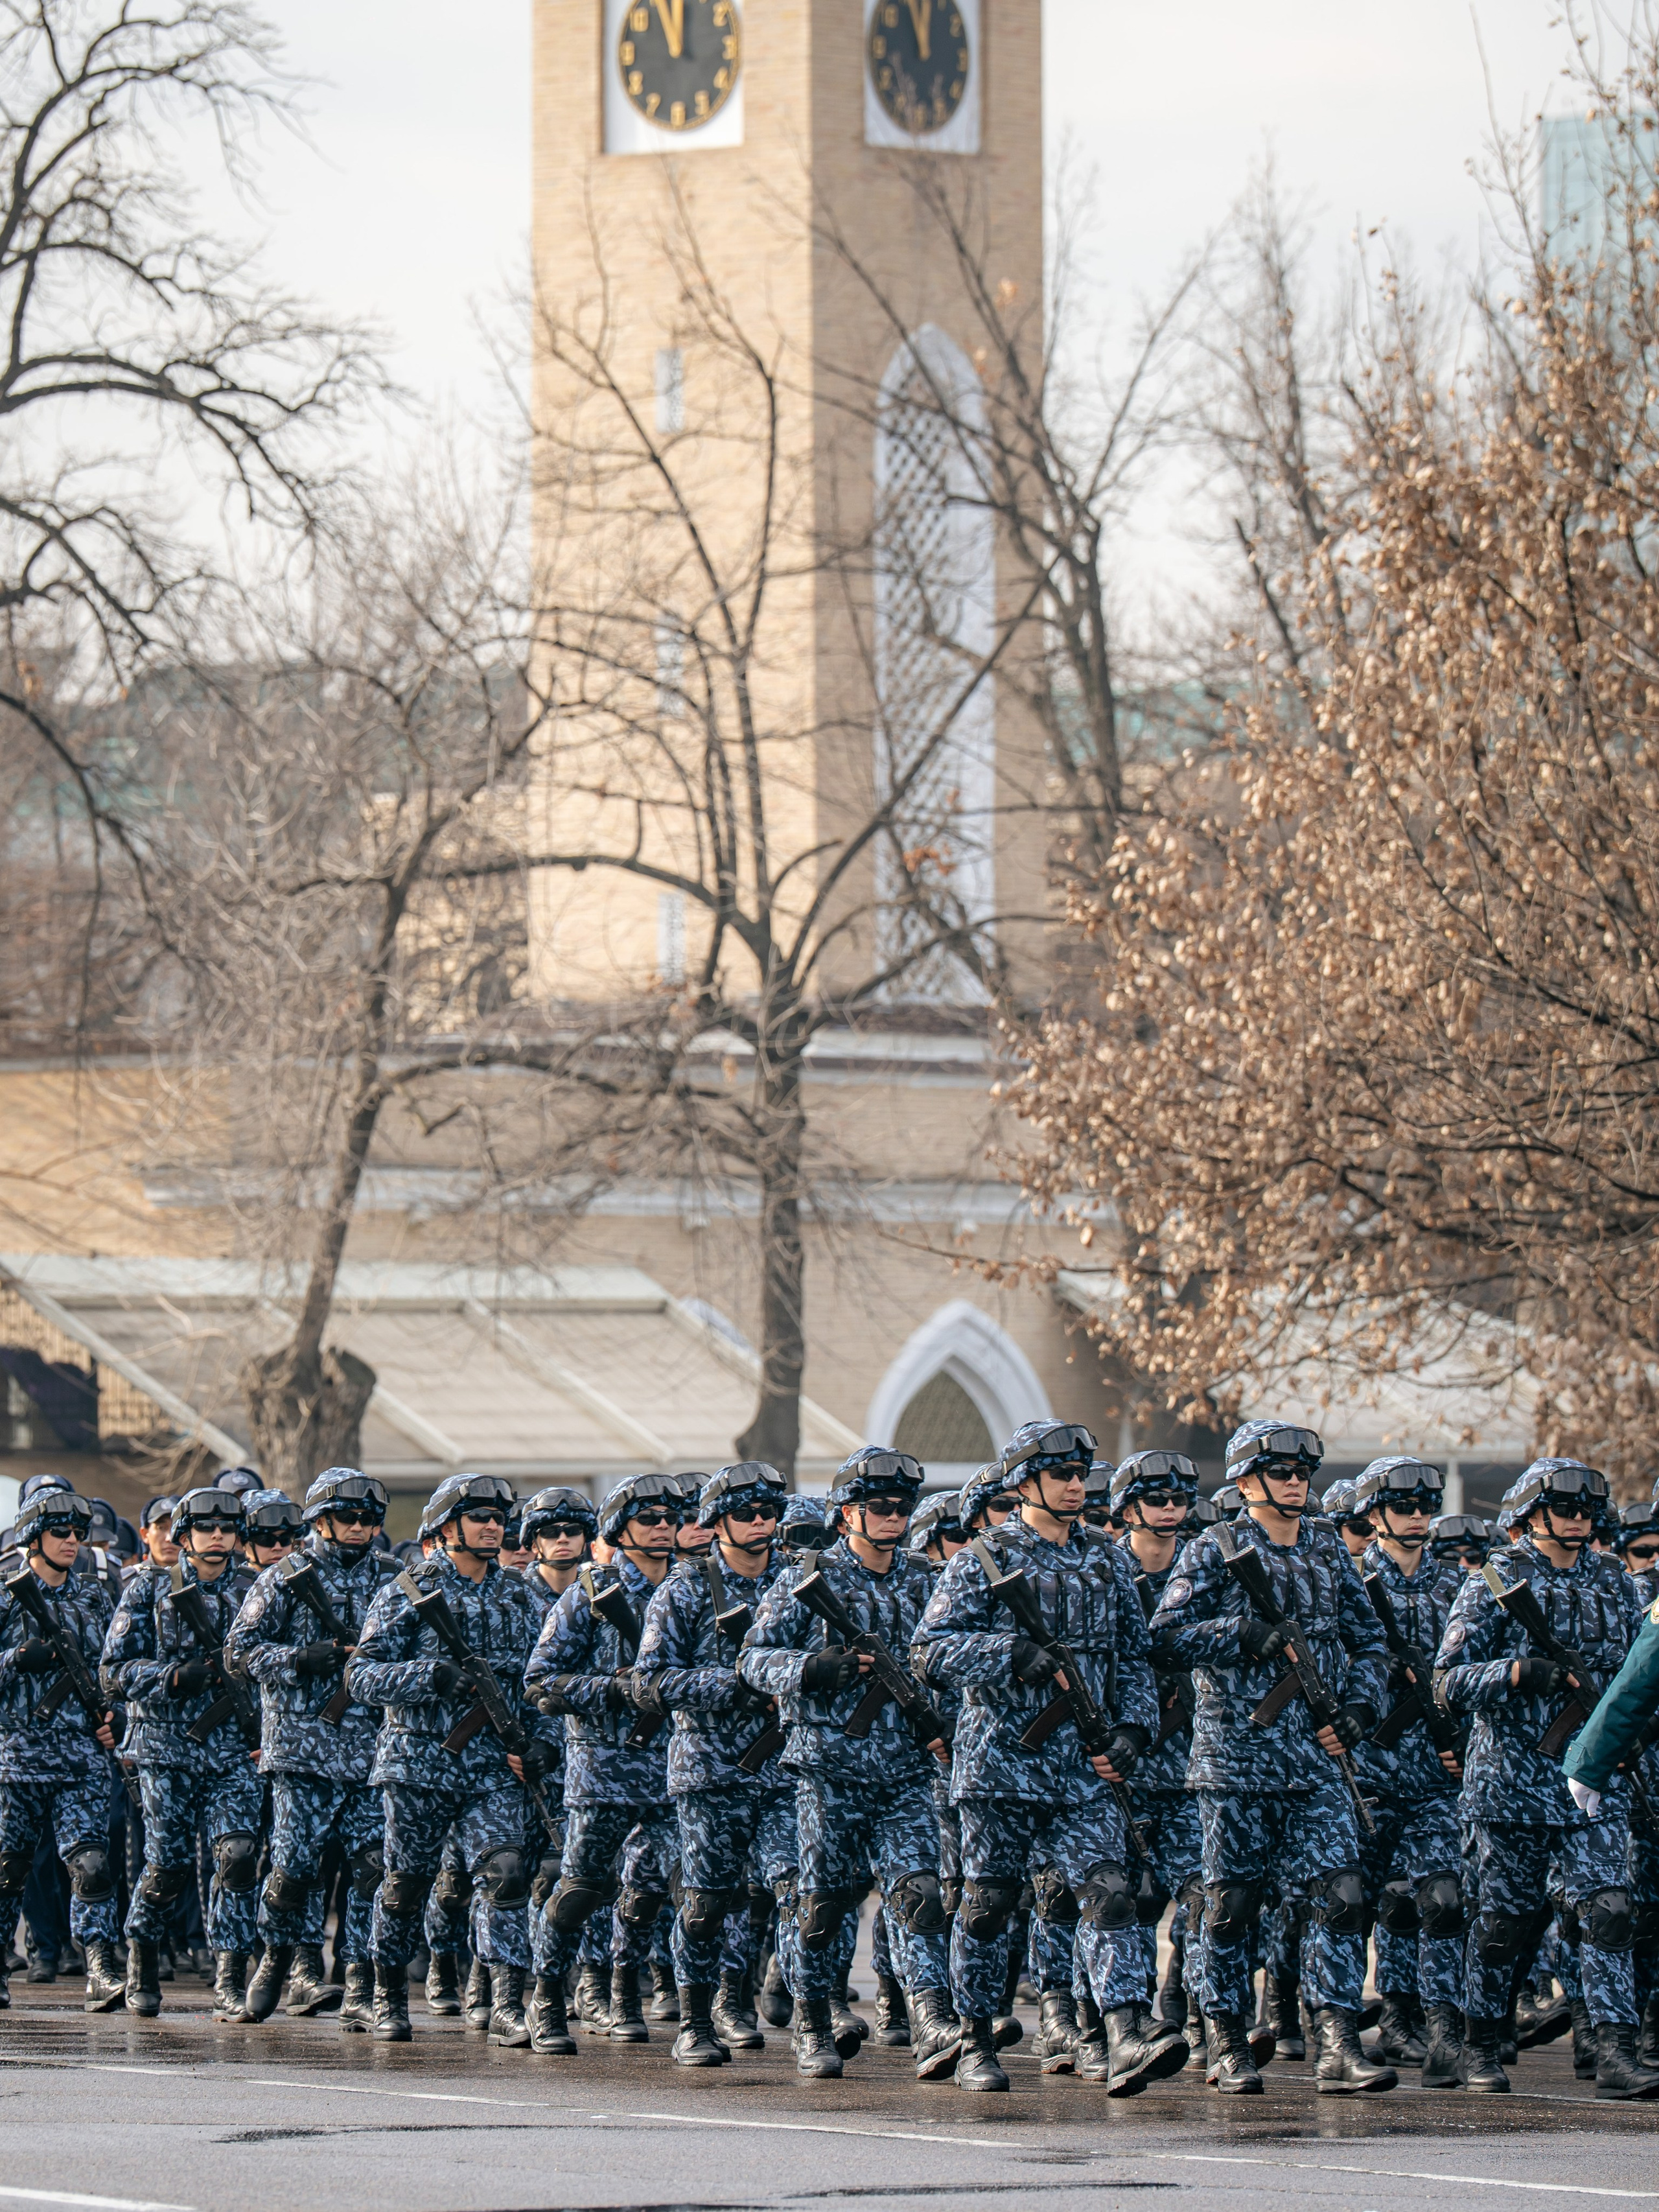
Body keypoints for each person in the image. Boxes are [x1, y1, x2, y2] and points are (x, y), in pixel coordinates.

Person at [916, 1423, 1181, 2097]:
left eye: (1081, 1471)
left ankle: (1124, 2030)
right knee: (987, 1905)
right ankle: (975, 2035)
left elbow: (1134, 1656)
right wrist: (1009, 1655)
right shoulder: (983, 1556)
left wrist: (1133, 1730)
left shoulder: (1106, 1557)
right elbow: (932, 1651)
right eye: (1060, 1471)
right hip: (1001, 1762)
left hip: (1081, 1768)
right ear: (1023, 1482)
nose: (1075, 1483)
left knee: (1109, 1891)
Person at [1151, 1420, 1396, 2097]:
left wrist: (1359, 1708)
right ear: (1246, 1479)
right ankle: (1227, 2039)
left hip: (1316, 1762)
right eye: (1280, 1468)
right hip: (1237, 1762)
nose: (1295, 1479)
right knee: (1230, 1908)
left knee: (1341, 1897)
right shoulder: (1214, 1547)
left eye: (1301, 1468)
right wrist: (1242, 1634)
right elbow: (1165, 1636)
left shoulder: (1323, 1543)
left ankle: (1337, 2043)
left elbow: (1370, 1640)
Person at [1435, 1457, 1659, 2099]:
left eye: (1588, 1509)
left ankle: (1614, 2047)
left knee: (1609, 1910)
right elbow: (1446, 1679)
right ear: (1531, 1512)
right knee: (1504, 1923)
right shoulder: (1493, 1580)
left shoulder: (1618, 1584)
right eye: (1565, 1507)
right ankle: (1480, 2038)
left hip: (1589, 1783)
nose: (1578, 1519)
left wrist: (1631, 1737)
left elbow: (1639, 1676)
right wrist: (1514, 1671)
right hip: (1509, 1784)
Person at [741, 1447, 958, 2084]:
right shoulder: (808, 1579)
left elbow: (945, 1657)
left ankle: (934, 2018)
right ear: (846, 1514)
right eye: (879, 1507)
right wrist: (810, 1668)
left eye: (901, 1508)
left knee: (919, 1893)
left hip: (905, 1770)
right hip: (827, 1768)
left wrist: (941, 1714)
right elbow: (753, 1659)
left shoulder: (925, 1580)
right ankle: (811, 2022)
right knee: (824, 1905)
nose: (893, 1518)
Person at [347, 1473, 553, 2045]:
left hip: (491, 1766)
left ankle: (508, 2002)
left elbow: (538, 1681)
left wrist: (542, 1739)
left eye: (498, 1518)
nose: (493, 1526)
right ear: (446, 1528)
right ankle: (387, 1995)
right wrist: (426, 1675)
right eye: (480, 1517)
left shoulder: (520, 1595)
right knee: (406, 1883)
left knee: (507, 1873)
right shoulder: (408, 1590)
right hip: (419, 1762)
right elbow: (360, 1675)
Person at [224, 1467, 398, 2034]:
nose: (359, 1528)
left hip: (373, 1751)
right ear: (321, 1520)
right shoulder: (285, 1577)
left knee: (371, 1870)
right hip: (302, 1751)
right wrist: (299, 1659)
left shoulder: (396, 1580)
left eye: (369, 1519)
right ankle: (277, 1954)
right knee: (295, 1868)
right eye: (347, 1517)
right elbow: (239, 1652)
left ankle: (358, 1983)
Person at [634, 1460, 793, 2066]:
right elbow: (650, 1682)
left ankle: (760, 2004)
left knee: (796, 1891)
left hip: (783, 1770)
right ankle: (696, 2020)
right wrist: (732, 1684)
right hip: (708, 1771)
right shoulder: (685, 1589)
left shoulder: (796, 1584)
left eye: (768, 1513)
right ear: (717, 1522)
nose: (761, 1524)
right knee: (706, 1903)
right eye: (746, 1514)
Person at [526, 1470, 684, 2047]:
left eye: (671, 1519)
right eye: (649, 1519)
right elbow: (541, 1682)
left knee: (672, 1887)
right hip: (604, 1768)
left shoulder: (692, 1589)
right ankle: (547, 1996)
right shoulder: (590, 1594)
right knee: (581, 1889)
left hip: (677, 1768)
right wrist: (613, 1690)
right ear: (622, 1528)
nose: (664, 1528)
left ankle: (624, 1990)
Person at [101, 1485, 264, 2021]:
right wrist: (169, 1675)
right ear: (185, 1535)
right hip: (167, 1748)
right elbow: (113, 1672)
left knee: (237, 1858)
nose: (218, 1535)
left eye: (227, 1526)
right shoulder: (149, 1588)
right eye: (206, 1526)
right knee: (167, 1865)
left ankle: (229, 1977)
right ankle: (144, 1954)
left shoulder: (258, 1589)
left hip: (234, 1751)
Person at [1347, 1456, 1467, 2087]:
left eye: (1425, 1504)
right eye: (1404, 1505)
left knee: (1441, 1898)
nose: (1417, 1515)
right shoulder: (1353, 1580)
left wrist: (1461, 1736)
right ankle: (1339, 2026)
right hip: (1366, 1768)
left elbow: (1473, 1672)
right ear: (1375, 1513)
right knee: (1356, 1903)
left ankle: (1441, 2027)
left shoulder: (1454, 1585)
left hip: (1432, 1776)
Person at [0, 1489, 123, 2012]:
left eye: (79, 1534)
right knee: (10, 1867)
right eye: (61, 1533)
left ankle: (98, 1963)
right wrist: (12, 1661)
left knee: (91, 1863)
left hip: (80, 1756)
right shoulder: (6, 1593)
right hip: (16, 1757)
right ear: (34, 1536)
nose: (74, 1541)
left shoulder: (95, 1595)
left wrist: (116, 1716)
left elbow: (116, 1666)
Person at [1111, 1449, 1208, 2073]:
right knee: (1123, 1900)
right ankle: (1108, 2021)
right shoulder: (1104, 1567)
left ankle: (1191, 2009)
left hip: (1190, 1764)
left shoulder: (1205, 1566)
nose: (1171, 1508)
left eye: (1179, 1498)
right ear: (1129, 1507)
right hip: (1117, 1764)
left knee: (1205, 1898)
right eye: (1157, 1497)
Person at [240, 1491, 304, 1573]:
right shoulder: (229, 1584)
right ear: (244, 1544)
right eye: (266, 1540)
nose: (278, 1547)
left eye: (285, 1539)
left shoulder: (310, 1580)